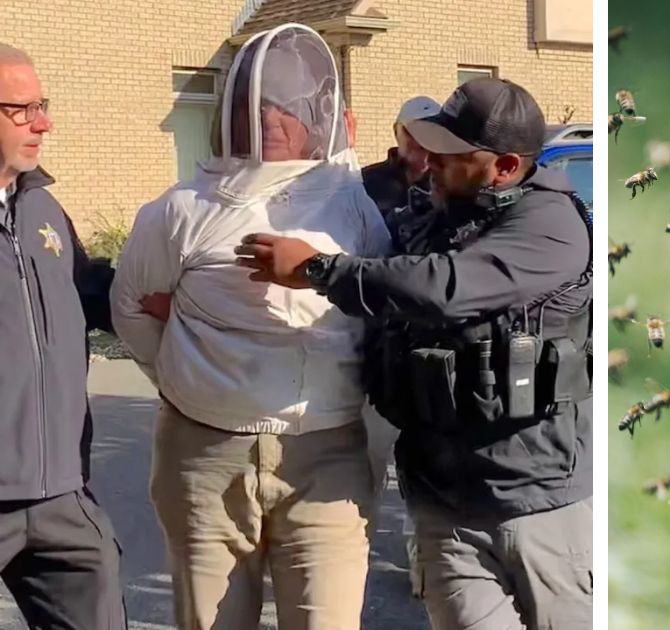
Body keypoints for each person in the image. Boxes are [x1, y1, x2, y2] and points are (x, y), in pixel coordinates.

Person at [234, 77, 594, 630]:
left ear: (503, 167)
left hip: (541, 504)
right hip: (443, 505)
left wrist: (316, 269)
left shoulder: (551, 225)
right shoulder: (429, 213)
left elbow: (444, 287)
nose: (429, 162)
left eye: (449, 155)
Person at [110, 24, 390, 630]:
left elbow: (381, 310)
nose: (268, 117)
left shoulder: (354, 207)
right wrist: (182, 379)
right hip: (206, 457)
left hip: (328, 458)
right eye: (255, 105)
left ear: (318, 115)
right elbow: (130, 306)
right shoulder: (182, 207)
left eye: (285, 106)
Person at [0, 43, 126, 629]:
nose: (42, 122)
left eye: (41, 105)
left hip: (61, 496)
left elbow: (86, 290)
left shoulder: (43, 209)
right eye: (20, 110)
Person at [361, 95, 440, 222]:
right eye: (412, 131)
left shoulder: (450, 184)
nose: (421, 140)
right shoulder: (364, 183)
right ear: (396, 132)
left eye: (432, 132)